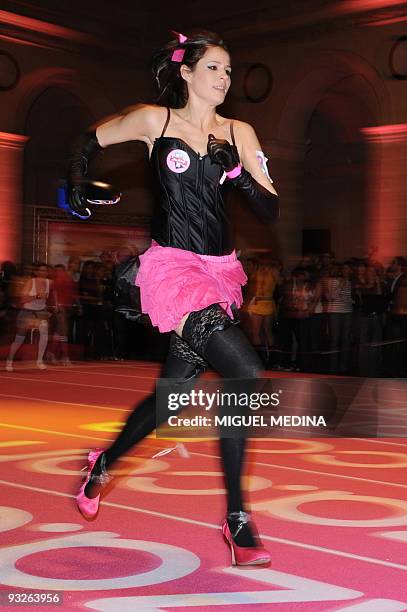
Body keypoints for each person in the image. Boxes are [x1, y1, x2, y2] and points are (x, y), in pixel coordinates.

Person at [68, 30, 279, 566]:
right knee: (246, 375)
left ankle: (103, 462)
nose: (225, 78)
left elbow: (270, 209)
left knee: (171, 398)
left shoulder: (239, 130)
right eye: (215, 68)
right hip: (172, 269)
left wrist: (236, 171)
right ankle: (237, 518)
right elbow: (93, 139)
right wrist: (74, 181)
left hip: (219, 273)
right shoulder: (153, 121)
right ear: (186, 72)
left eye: (229, 71)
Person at [5, 262, 54, 371]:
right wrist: (37, 296)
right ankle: (9, 360)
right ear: (36, 272)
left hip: (41, 311)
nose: (43, 272)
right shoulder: (30, 282)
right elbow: (23, 299)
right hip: (27, 311)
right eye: (41, 270)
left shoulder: (49, 282)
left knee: (44, 333)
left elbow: (55, 291)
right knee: (20, 338)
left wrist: (53, 307)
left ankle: (40, 360)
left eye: (45, 270)